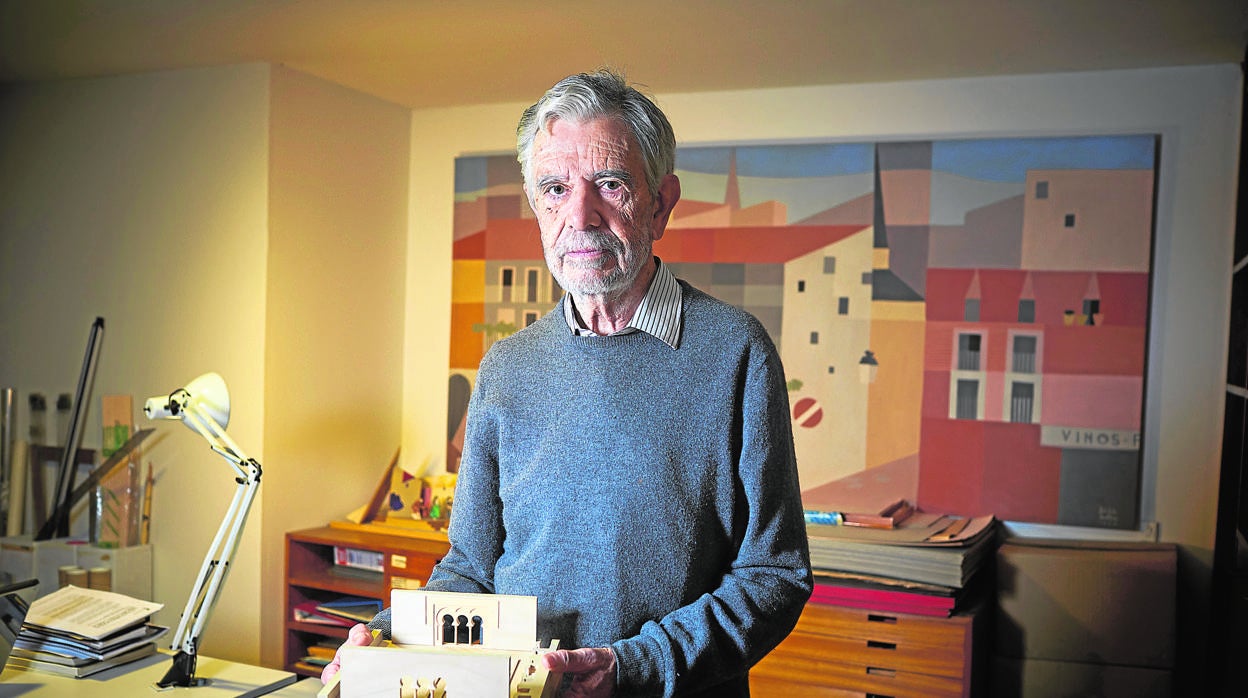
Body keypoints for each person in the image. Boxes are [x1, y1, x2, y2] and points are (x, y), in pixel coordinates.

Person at [322, 69, 811, 698]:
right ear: (536, 205)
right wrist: (388, 638)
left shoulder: (734, 352)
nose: (579, 215)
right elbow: (471, 571)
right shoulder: (507, 367)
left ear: (661, 203)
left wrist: (631, 667)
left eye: (610, 184)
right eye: (554, 189)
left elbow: (775, 575)